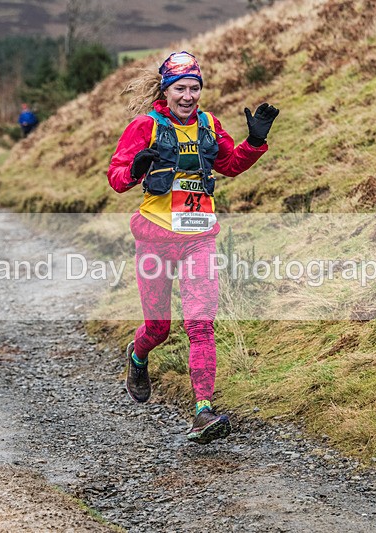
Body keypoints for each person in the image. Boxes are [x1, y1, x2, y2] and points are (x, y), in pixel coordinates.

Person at [107, 51, 279, 444]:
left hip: (199, 238)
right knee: (159, 327)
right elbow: (116, 177)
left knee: (200, 323)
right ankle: (138, 354)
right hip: (154, 238)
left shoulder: (208, 124)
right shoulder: (144, 127)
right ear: (166, 90)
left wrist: (255, 141)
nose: (188, 96)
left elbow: (230, 164)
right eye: (180, 88)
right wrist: (134, 171)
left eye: (194, 88)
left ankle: (203, 411)